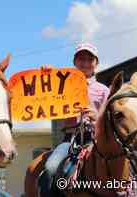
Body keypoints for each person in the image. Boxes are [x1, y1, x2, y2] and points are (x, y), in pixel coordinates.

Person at [39, 43, 110, 196]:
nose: (85, 63)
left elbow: (109, 121)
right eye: (81, 59)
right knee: (50, 168)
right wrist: (47, 75)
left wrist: (96, 117)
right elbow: (46, 92)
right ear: (74, 62)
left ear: (96, 63)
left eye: (89, 59)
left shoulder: (104, 90)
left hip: (96, 139)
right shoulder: (63, 85)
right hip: (70, 139)